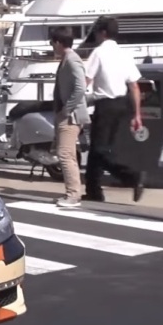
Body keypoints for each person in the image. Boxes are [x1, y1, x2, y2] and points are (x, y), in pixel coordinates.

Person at [83, 16, 147, 203]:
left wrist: (75, 101)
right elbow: (134, 86)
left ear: (102, 33)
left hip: (105, 105)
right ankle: (93, 190)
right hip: (122, 104)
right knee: (98, 149)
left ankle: (132, 176)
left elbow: (86, 80)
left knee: (100, 151)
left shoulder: (98, 53)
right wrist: (137, 115)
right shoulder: (124, 54)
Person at [50, 26, 90, 207]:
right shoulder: (67, 59)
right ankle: (74, 192)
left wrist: (67, 109)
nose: (52, 46)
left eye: (52, 43)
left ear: (58, 43)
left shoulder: (72, 60)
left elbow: (81, 87)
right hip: (66, 113)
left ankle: (73, 195)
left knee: (64, 154)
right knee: (69, 154)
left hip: (71, 116)